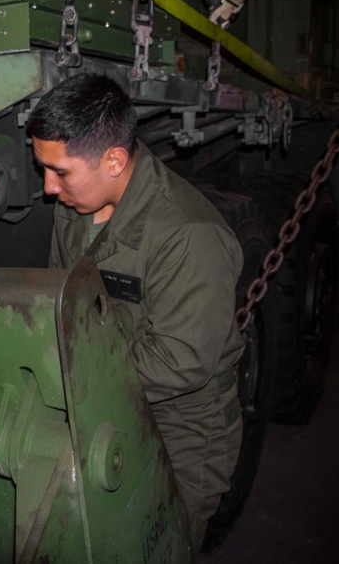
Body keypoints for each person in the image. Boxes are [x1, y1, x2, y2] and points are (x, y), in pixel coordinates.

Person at [26, 72, 244, 550]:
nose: (47, 187)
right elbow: (59, 302)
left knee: (161, 545)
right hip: (99, 399)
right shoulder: (74, 206)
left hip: (181, 425)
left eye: (60, 171)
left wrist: (74, 380)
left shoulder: (188, 235)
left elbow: (179, 362)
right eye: (43, 168)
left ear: (115, 160)